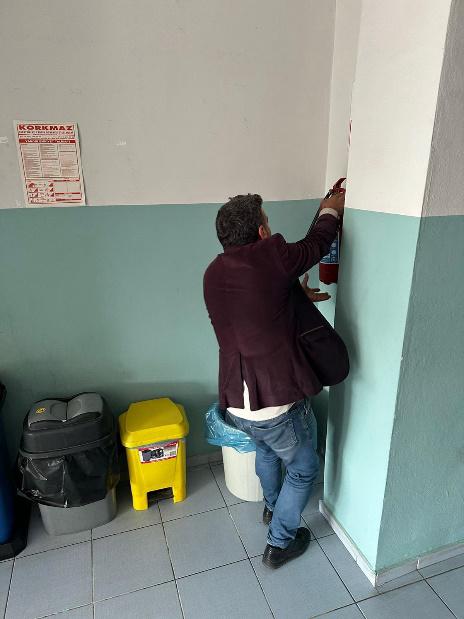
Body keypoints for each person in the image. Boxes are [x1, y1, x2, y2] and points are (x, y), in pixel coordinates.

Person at [203, 191, 345, 569]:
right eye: (267, 220)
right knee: (302, 469)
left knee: (266, 452)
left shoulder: (213, 273)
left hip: (237, 401)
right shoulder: (272, 257)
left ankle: (271, 508)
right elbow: (317, 243)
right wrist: (331, 210)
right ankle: (280, 542)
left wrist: (296, 296)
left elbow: (255, 310)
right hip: (277, 400)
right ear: (262, 231)